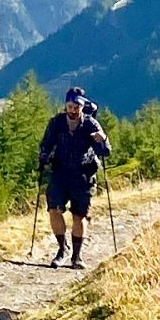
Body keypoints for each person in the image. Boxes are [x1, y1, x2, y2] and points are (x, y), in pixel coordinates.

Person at [37, 86, 110, 267]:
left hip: (83, 176)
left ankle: (76, 257)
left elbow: (105, 151)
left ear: (82, 106)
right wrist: (44, 155)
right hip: (60, 173)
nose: (73, 110)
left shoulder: (90, 124)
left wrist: (102, 139)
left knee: (79, 216)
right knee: (54, 209)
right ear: (66, 105)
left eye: (76, 106)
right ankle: (62, 250)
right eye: (70, 106)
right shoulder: (57, 122)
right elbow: (46, 144)